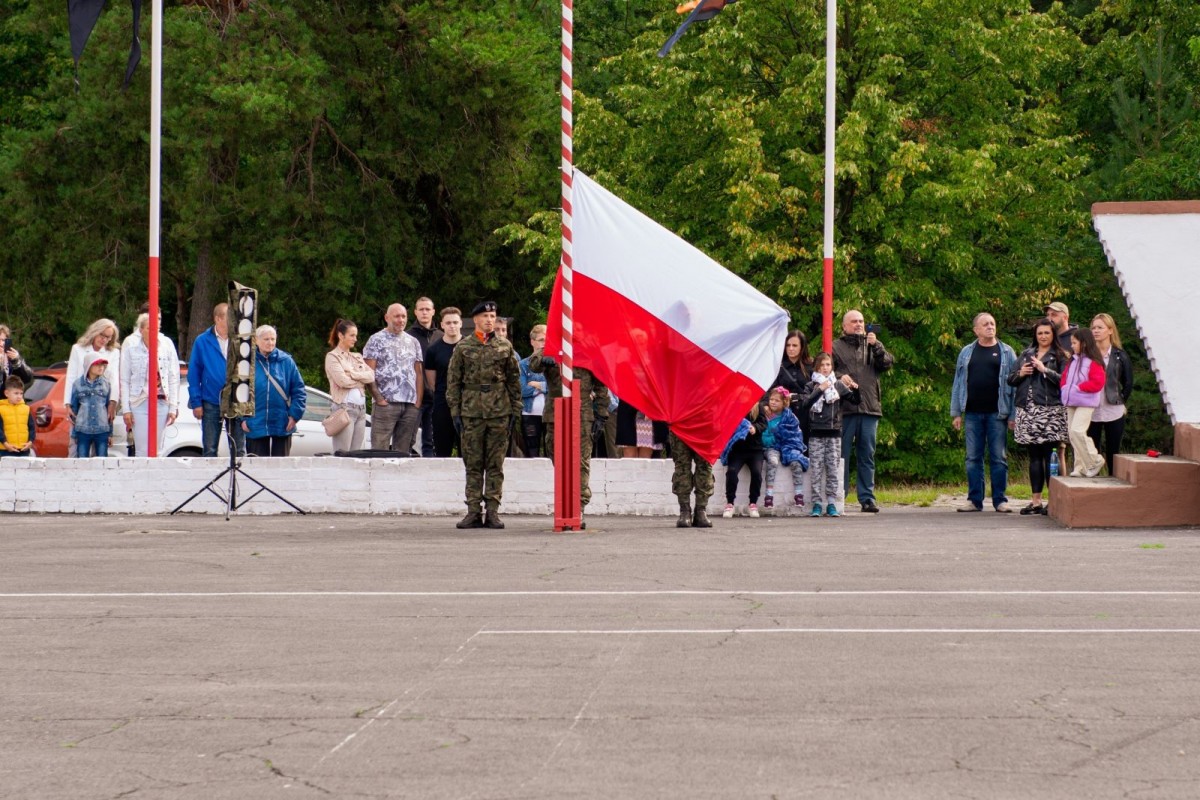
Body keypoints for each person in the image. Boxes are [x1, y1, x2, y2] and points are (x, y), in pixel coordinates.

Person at [446, 301, 522, 529]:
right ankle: (472, 510)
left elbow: (513, 381)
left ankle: (492, 511)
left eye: (493, 316)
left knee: (495, 464)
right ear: (476, 320)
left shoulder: (505, 347)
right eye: (486, 316)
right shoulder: (463, 347)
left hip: (499, 412)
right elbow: (453, 381)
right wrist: (455, 411)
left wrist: (515, 411)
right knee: (473, 463)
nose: (490, 320)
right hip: (471, 412)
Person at [527, 347, 610, 526]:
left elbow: (602, 384)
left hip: (582, 414)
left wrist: (601, 414)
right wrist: (544, 358)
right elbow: (532, 365)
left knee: (580, 462)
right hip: (555, 413)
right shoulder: (552, 347)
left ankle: (578, 508)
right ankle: (564, 503)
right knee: (557, 458)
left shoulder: (589, 351)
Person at [950, 312, 1017, 512]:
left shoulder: (1007, 352)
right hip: (971, 413)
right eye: (985, 324)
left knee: (998, 458)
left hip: (998, 414)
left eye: (992, 323)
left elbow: (1014, 386)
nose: (990, 326)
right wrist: (956, 413)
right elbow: (958, 383)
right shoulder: (966, 352)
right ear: (976, 330)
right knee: (972, 458)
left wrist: (1013, 415)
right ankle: (974, 500)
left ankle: (1000, 500)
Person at [833, 310, 893, 513]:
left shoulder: (874, 344)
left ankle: (867, 498)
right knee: (841, 455)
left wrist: (876, 346)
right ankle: (838, 496)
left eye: (861, 321)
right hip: (844, 408)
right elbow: (825, 370)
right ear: (844, 326)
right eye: (853, 321)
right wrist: (840, 376)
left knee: (867, 455)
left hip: (869, 408)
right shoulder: (835, 346)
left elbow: (887, 364)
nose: (858, 324)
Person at [1007, 318, 1068, 515]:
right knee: (1033, 457)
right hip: (1027, 410)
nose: (1043, 336)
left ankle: (1055, 500)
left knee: (1050, 456)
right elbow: (1011, 379)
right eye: (1040, 333)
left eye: (1047, 333)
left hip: (1050, 411)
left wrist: (1046, 370)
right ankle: (1035, 501)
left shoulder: (1060, 356)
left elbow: (1065, 382)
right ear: (1035, 335)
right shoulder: (1026, 354)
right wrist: (1022, 373)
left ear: (1053, 335)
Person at [801, 352, 859, 517]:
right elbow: (805, 404)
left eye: (828, 365)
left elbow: (855, 401)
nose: (825, 368)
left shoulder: (838, 385)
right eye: (822, 365)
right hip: (816, 433)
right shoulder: (811, 385)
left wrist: (856, 389)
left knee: (832, 469)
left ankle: (832, 502)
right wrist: (820, 389)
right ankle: (817, 503)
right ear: (817, 367)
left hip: (834, 432)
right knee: (816, 469)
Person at [363, 304, 425, 453]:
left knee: (403, 452)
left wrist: (418, 402)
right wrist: (379, 399)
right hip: (386, 404)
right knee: (379, 450)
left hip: (410, 405)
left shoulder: (413, 341)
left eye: (403, 316)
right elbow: (368, 373)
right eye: (397, 316)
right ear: (387, 317)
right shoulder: (376, 339)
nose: (401, 320)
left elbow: (419, 373)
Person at [187, 303, 245, 457]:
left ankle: (238, 480)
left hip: (235, 399)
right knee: (210, 448)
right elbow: (194, 373)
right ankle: (212, 480)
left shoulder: (240, 340)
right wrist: (196, 402)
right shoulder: (202, 341)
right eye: (229, 317)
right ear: (218, 319)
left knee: (239, 449)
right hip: (211, 400)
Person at [121, 312, 181, 457]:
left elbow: (174, 376)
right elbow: (125, 379)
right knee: (142, 449)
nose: (154, 332)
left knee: (158, 448)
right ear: (141, 330)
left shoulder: (167, 345)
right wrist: (126, 409)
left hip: (161, 400)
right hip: (139, 400)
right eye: (149, 328)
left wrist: (173, 406)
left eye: (156, 328)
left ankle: (155, 477)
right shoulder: (131, 347)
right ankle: (142, 478)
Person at [241, 325, 306, 457]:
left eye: (273, 339)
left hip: (282, 423)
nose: (270, 343)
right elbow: (240, 392)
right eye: (266, 339)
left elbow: (299, 391)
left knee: (280, 469)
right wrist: (243, 419)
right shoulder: (247, 363)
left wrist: (294, 416)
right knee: (257, 468)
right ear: (256, 341)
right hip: (255, 423)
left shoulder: (287, 361)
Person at [65, 319, 122, 457]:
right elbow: (71, 376)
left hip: (101, 402)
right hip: (80, 402)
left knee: (100, 451)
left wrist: (113, 403)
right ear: (95, 331)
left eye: (108, 337)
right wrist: (67, 403)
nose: (104, 340)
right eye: (102, 335)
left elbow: (114, 379)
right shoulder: (78, 349)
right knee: (75, 446)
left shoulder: (113, 352)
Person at [1087, 313, 1134, 475]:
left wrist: (1120, 400)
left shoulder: (1120, 355)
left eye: (1100, 327)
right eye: (1093, 328)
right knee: (1092, 451)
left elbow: (1128, 383)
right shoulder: (1086, 354)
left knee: (1114, 450)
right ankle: (1093, 485)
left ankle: (1114, 483)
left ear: (1110, 330)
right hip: (1090, 409)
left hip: (1113, 409)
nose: (1096, 331)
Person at [1060, 327, 1107, 478]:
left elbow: (1098, 383)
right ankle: (1079, 467)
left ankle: (1095, 459)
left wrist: (1076, 388)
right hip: (1072, 400)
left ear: (1084, 343)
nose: (1072, 346)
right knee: (1072, 435)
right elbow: (1064, 377)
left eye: (1074, 343)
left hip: (1086, 402)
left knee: (1077, 431)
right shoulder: (1072, 360)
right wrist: (1065, 388)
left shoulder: (1093, 361)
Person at [324, 319, 375, 453]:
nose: (355, 339)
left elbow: (371, 376)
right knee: (342, 453)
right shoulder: (332, 357)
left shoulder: (356, 356)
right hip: (344, 408)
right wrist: (360, 378)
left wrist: (351, 374)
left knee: (356, 454)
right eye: (352, 335)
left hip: (361, 410)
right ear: (341, 335)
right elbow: (342, 381)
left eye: (356, 335)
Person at [760, 387, 809, 510]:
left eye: (777, 400)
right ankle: (769, 495)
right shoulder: (765, 416)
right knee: (772, 461)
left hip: (788, 445)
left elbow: (795, 434)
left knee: (796, 461)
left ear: (784, 403)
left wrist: (785, 441)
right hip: (772, 446)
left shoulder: (790, 417)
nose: (773, 402)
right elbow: (763, 434)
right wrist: (773, 438)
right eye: (771, 399)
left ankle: (799, 494)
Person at [424, 307, 463, 457]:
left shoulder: (471, 346)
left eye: (455, 322)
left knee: (467, 449)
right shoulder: (433, 350)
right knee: (442, 449)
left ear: (460, 323)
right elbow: (431, 381)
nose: (452, 326)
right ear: (442, 325)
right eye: (448, 323)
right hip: (442, 402)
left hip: (467, 402)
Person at [407, 297, 442, 457]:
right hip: (414, 397)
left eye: (427, 309)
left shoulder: (441, 336)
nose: (424, 312)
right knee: (408, 439)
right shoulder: (407, 337)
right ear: (415, 312)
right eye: (421, 309)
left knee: (431, 441)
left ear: (433, 312)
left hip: (436, 396)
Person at [719, 405, 767, 518]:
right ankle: (730, 503)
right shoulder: (734, 405)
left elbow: (764, 424)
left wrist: (755, 428)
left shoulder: (758, 407)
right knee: (731, 472)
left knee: (756, 473)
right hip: (737, 450)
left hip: (755, 450)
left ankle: (752, 503)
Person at [68, 352, 113, 457]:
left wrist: (110, 433)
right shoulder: (77, 384)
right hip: (83, 430)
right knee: (82, 460)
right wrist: (74, 434)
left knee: (102, 461)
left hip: (102, 430)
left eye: (103, 365)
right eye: (97, 364)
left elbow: (109, 410)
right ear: (89, 365)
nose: (101, 367)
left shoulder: (106, 384)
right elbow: (74, 410)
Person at [772, 330, 814, 438]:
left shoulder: (811, 366)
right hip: (783, 414)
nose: (790, 348)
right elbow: (770, 390)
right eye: (788, 345)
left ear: (802, 347)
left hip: (806, 415)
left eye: (794, 345)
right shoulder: (778, 366)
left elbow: (816, 392)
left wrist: (796, 397)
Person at [671, 431, 714, 527]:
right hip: (680, 424)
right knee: (682, 467)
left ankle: (700, 510)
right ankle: (684, 510)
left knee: (705, 466)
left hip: (705, 425)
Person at [518, 325, 548, 457]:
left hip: (550, 413)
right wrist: (543, 388)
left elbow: (556, 387)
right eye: (541, 340)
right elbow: (522, 390)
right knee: (531, 451)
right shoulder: (524, 364)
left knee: (551, 450)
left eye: (547, 340)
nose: (544, 344)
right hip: (529, 413)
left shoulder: (554, 363)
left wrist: (537, 385)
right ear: (532, 341)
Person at [0, 375, 35, 457]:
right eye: (16, 393)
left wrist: (30, 442)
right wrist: (6, 444)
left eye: (21, 393)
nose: (19, 396)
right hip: (5, 450)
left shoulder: (26, 408)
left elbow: (32, 427)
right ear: (6, 393)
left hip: (24, 449)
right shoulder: (1, 409)